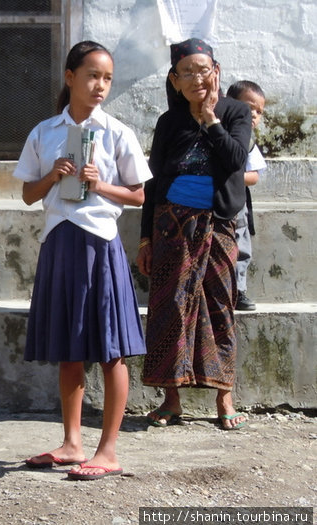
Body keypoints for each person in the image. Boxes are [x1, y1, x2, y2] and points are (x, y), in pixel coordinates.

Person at [14, 41, 152, 481]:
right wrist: (54, 175)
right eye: (92, 75)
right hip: (59, 241)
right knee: (68, 351)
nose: (100, 86)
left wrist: (101, 184)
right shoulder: (44, 131)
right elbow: (27, 194)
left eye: (107, 78)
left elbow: (139, 194)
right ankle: (72, 442)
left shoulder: (116, 132)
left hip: (100, 242)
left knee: (111, 350)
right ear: (70, 77)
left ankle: (107, 449)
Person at [136, 39, 252, 431]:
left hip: (217, 224)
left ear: (217, 71)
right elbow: (153, 184)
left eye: (204, 69)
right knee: (170, 306)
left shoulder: (236, 112)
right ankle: (172, 400)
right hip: (171, 226)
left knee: (220, 303)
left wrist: (210, 119)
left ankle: (225, 395)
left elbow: (236, 160)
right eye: (188, 72)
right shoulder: (169, 122)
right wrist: (146, 239)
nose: (198, 78)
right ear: (175, 79)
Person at [227, 80, 267, 311]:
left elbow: (253, 176)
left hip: (237, 203)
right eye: (248, 106)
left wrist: (228, 177)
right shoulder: (218, 131)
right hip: (211, 201)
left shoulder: (249, 142)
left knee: (240, 245)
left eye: (259, 111)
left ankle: (238, 289)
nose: (253, 114)